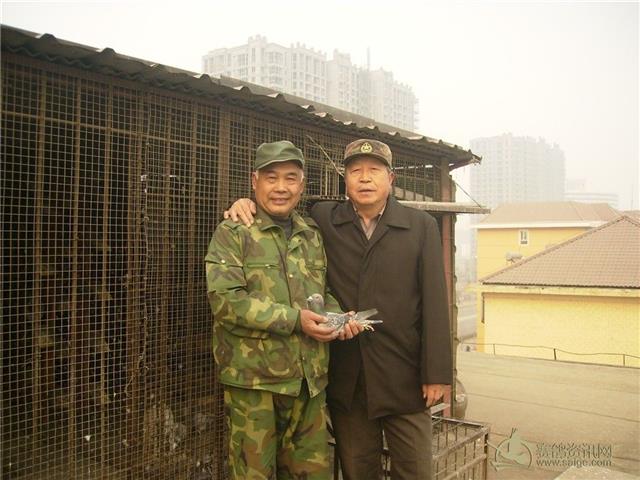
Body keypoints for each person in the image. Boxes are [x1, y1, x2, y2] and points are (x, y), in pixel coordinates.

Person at [225, 138, 453, 480]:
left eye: (374, 170)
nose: (365, 178)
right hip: (349, 377)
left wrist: (437, 373)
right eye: (356, 171)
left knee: (415, 471)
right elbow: (280, 203)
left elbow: (435, 302)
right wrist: (245, 203)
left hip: (403, 374)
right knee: (357, 470)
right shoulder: (323, 219)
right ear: (345, 180)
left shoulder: (419, 226)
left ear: (391, 179)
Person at [204, 140, 361, 480]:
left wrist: (336, 318)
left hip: (308, 385)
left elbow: (322, 293)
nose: (281, 187)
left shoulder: (311, 235)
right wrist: (295, 320)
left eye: (291, 178)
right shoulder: (234, 232)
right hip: (255, 385)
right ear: (254, 181)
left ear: (302, 186)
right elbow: (226, 301)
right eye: (271, 177)